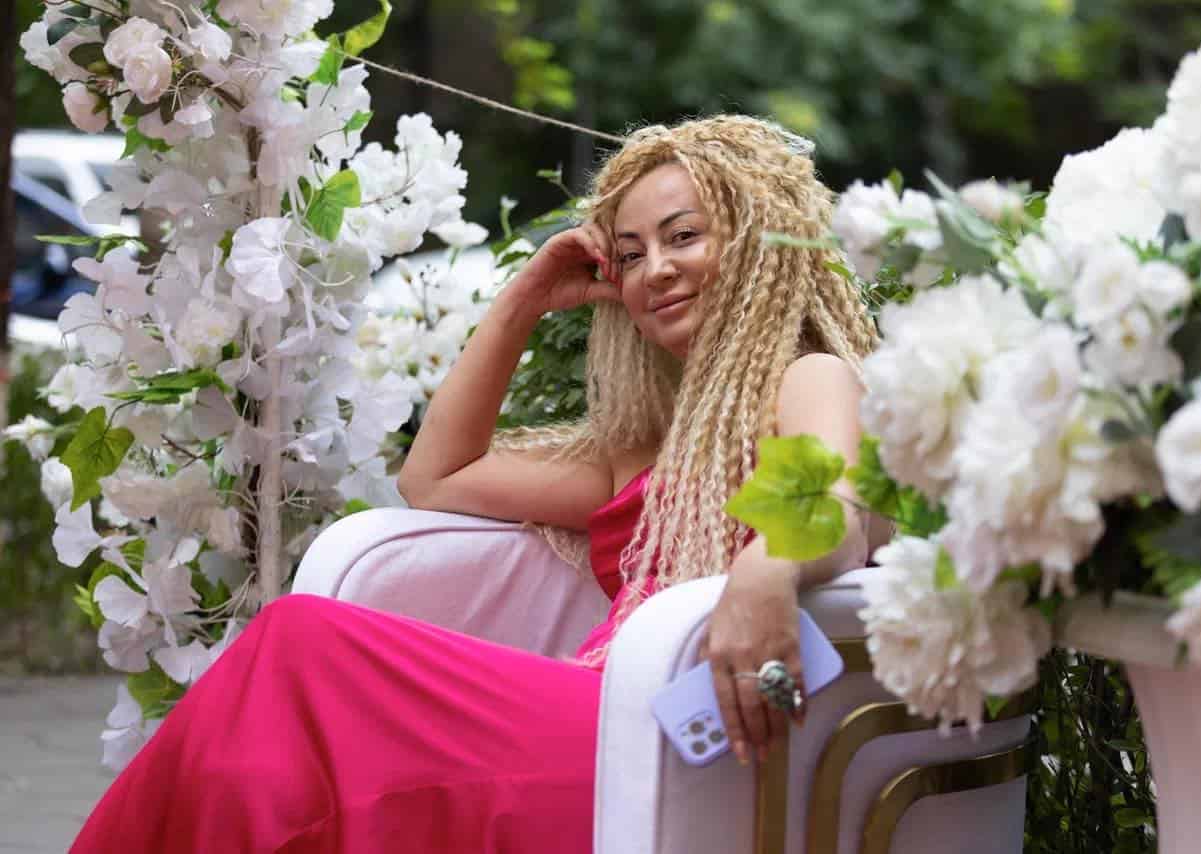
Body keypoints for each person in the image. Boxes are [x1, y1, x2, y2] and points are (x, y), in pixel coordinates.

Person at [69, 115, 886, 853]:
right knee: (274, 741)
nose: (656, 271)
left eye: (684, 237)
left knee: (300, 645)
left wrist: (764, 570)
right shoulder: (639, 451)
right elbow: (437, 477)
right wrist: (526, 298)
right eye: (631, 255)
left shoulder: (808, 377)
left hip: (675, 750)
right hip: (604, 728)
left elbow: (842, 506)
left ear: (757, 240)